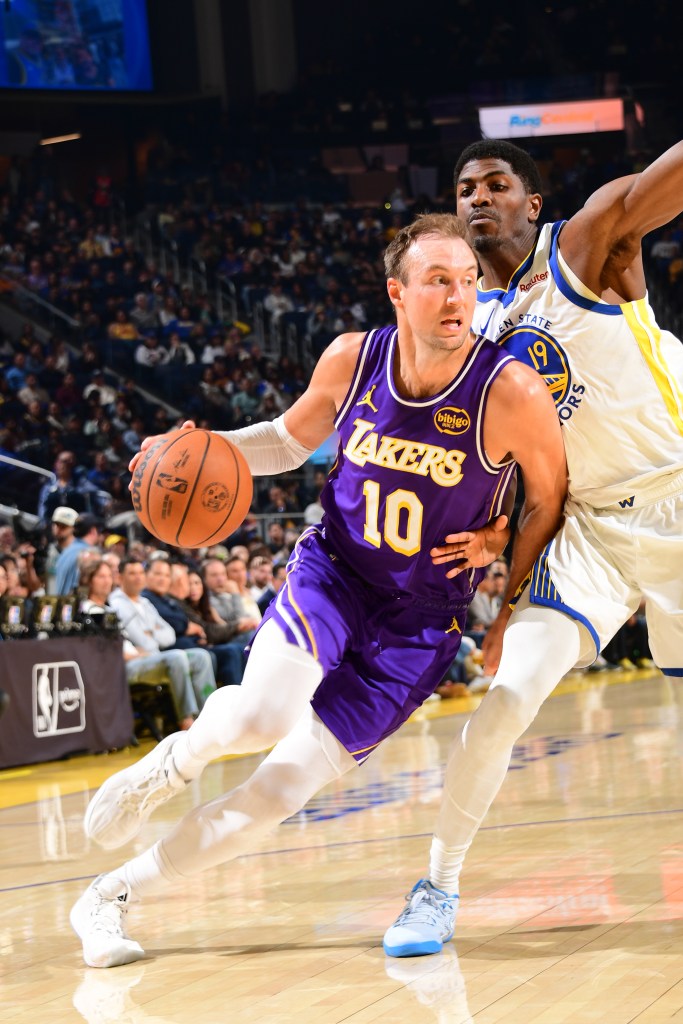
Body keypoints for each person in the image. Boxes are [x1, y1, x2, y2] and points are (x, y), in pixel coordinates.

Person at [70, 213, 565, 968]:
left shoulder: (511, 392)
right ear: (397, 292)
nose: (456, 296)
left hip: (420, 623)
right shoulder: (353, 357)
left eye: (466, 281)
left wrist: (501, 563)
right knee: (264, 713)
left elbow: (545, 497)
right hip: (335, 571)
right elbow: (286, 439)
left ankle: (108, 896)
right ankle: (173, 764)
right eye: (437, 281)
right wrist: (193, 451)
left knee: (280, 792)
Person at [382, 138, 683, 957]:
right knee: (506, 700)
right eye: (464, 187)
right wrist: (491, 528)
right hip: (588, 524)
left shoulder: (583, 249)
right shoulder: (468, 328)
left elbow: (658, 185)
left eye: (496, 184)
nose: (478, 196)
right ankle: (436, 888)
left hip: (676, 500)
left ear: (531, 204)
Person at [108, 558, 216, 729]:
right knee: (177, 657)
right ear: (120, 577)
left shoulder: (145, 602)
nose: (137, 578)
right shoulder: (117, 603)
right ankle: (186, 719)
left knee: (201, 656)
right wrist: (153, 632)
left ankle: (210, 714)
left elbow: (170, 635)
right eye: (132, 573)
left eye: (140, 573)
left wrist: (150, 633)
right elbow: (142, 640)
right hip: (134, 663)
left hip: (154, 657)